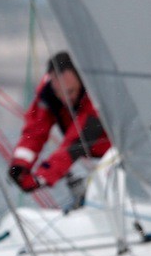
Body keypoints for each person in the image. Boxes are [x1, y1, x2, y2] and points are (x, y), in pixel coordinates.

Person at [7, 51, 111, 194]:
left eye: (70, 92)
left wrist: (41, 178)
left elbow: (74, 144)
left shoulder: (95, 98)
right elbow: (34, 131)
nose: (64, 98)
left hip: (114, 158)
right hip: (86, 159)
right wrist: (19, 164)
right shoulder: (47, 93)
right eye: (58, 92)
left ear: (81, 80)